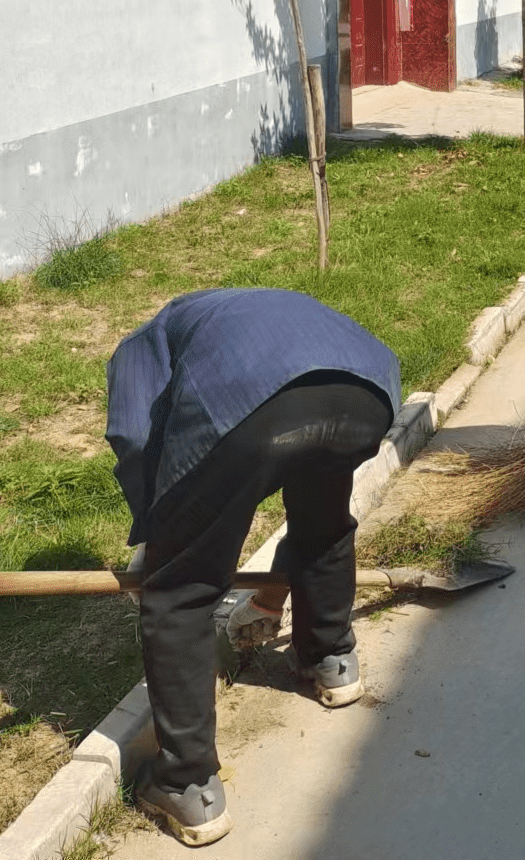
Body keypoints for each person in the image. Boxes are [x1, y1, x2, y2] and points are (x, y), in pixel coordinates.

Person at [105, 288, 400, 846]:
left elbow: (134, 435)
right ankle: (332, 660)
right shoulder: (243, 308)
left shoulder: (144, 343)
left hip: (254, 403)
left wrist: (159, 536)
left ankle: (189, 786)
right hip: (366, 393)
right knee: (322, 527)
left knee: (182, 594)